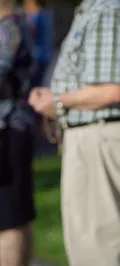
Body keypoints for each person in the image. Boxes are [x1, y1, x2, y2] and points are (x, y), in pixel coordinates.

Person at [28, 0, 120, 265]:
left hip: (99, 137)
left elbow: (111, 90)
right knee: (108, 246)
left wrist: (58, 101)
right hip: (100, 134)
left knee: (96, 251)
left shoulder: (108, 9)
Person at [0, 0, 35, 265]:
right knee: (17, 215)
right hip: (14, 127)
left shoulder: (8, 28)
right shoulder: (15, 25)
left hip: (9, 129)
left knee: (9, 218)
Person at [23, 0, 52, 87]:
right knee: (39, 83)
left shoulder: (36, 17)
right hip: (46, 55)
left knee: (33, 87)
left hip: (38, 56)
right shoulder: (47, 15)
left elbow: (31, 34)